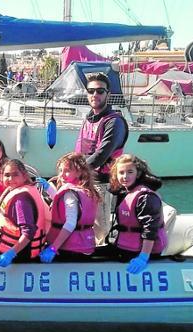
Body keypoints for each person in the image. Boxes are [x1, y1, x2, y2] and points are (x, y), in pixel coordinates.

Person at [74, 72, 129, 245]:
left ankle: (102, 256)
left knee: (101, 229)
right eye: (91, 91)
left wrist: (73, 171)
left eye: (100, 91)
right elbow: (79, 150)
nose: (95, 95)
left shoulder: (115, 122)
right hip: (84, 181)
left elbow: (100, 156)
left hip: (102, 184)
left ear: (108, 94)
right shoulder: (88, 119)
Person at [0, 159, 50, 267]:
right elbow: (8, 227)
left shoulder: (21, 200)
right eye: (7, 175)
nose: (11, 179)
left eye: (15, 175)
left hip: (23, 252)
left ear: (24, 176)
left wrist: (11, 253)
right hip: (24, 247)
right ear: (2, 177)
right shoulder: (20, 190)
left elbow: (28, 232)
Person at [96, 154, 167, 274]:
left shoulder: (145, 197)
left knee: (94, 257)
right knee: (88, 253)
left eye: (130, 172)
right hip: (125, 245)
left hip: (139, 251)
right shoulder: (126, 192)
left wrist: (143, 257)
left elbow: (150, 230)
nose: (125, 176)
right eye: (121, 172)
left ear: (138, 173)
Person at [38, 153, 100, 263]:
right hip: (85, 245)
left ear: (79, 172)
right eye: (60, 170)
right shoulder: (86, 191)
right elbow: (63, 203)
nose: (62, 175)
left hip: (69, 249)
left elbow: (71, 223)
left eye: (67, 170)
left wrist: (53, 249)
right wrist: (48, 188)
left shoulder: (70, 193)